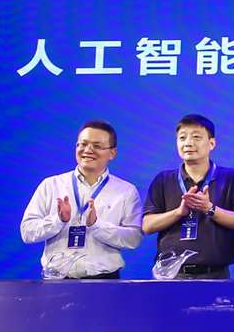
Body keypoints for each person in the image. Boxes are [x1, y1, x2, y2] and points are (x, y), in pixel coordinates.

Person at [20, 119, 144, 279]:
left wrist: (97, 225)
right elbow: (27, 232)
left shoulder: (126, 191)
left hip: (104, 281)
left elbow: (133, 239)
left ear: (112, 153)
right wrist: (58, 220)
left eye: (97, 146)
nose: (88, 150)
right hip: (56, 280)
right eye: (83, 144)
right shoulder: (51, 185)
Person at [140, 114, 234, 279]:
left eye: (196, 137)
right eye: (182, 138)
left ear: (212, 143)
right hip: (171, 275)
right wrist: (178, 213)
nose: (188, 143)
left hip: (215, 274)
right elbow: (147, 226)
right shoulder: (163, 180)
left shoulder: (231, 178)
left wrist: (209, 208)